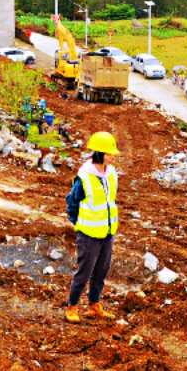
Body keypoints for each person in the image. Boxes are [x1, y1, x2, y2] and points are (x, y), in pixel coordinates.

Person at [64, 131, 121, 322]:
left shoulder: (111, 173)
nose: (113, 156)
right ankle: (72, 307)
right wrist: (78, 224)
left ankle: (94, 304)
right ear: (99, 153)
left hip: (107, 231)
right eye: (110, 153)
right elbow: (71, 202)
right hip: (88, 233)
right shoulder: (85, 176)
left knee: (101, 271)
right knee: (84, 273)